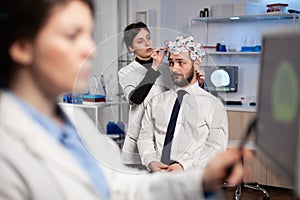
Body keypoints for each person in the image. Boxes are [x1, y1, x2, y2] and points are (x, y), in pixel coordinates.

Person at [0, 0, 245, 199]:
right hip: (144, 149)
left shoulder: (73, 123)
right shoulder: (7, 154)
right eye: (73, 35)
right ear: (22, 47)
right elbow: (138, 97)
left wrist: (197, 177)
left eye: (90, 34)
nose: (91, 49)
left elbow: (122, 189)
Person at [137, 36, 228, 172]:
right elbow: (145, 138)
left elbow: (216, 147)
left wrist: (184, 166)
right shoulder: (156, 102)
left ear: (196, 64)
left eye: (181, 63)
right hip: (158, 176)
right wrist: (151, 162)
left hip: (192, 179)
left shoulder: (212, 105)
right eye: (171, 63)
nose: (174, 69)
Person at [118, 22, 173, 165]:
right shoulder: (126, 72)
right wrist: (154, 67)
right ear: (131, 48)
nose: (147, 43)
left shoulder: (166, 69)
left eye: (148, 38)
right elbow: (136, 98)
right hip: (137, 142)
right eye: (140, 41)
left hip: (162, 140)